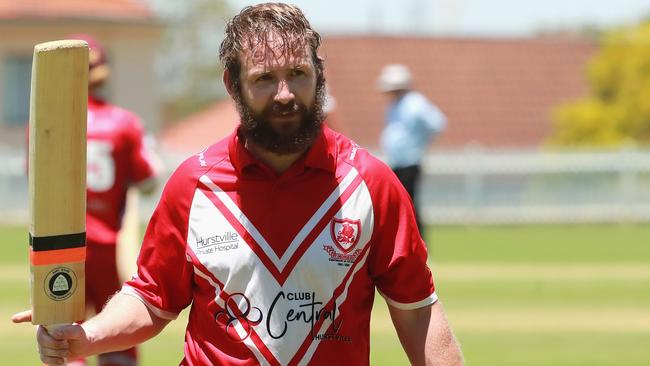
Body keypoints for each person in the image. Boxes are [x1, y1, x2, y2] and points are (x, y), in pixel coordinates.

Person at [13, 4, 463, 366]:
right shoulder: (193, 185)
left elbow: (417, 309)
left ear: (319, 77)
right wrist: (87, 336)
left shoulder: (371, 184)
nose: (285, 93)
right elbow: (152, 300)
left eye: (298, 75)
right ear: (233, 85)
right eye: (264, 79)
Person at [62, 34, 160, 366]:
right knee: (117, 337)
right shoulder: (125, 123)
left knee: (64, 339)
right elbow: (148, 181)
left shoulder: (50, 123)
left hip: (60, 246)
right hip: (109, 244)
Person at [378, 64, 447, 232]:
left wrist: (420, 143)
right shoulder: (395, 105)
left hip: (410, 160)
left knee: (408, 203)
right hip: (396, 160)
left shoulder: (415, 103)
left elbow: (437, 123)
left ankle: (418, 244)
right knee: (397, 203)